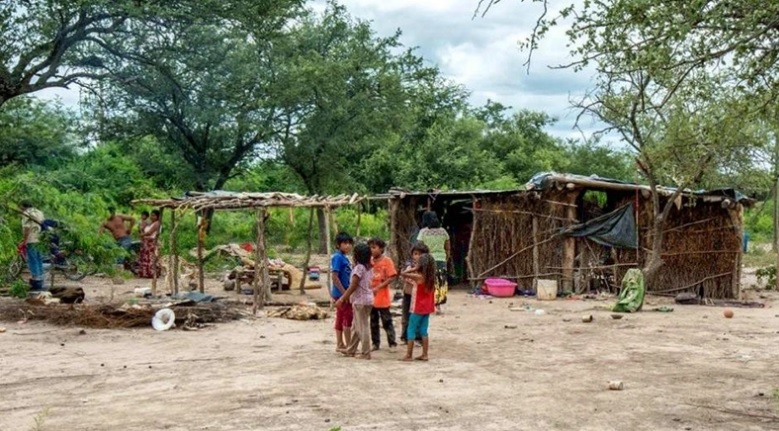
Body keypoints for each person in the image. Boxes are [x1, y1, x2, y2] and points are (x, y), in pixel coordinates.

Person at [336, 242, 374, 359]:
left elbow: (353, 285)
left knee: (362, 327)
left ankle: (366, 352)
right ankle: (351, 349)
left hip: (360, 301)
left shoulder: (359, 268)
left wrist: (342, 298)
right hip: (367, 299)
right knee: (357, 326)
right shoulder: (368, 267)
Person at [400, 251, 437, 362]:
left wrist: (414, 268)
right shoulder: (430, 277)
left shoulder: (418, 276)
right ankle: (425, 354)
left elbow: (404, 273)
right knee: (424, 330)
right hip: (427, 308)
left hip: (418, 307)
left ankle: (409, 355)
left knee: (411, 329)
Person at [416, 211, 450, 314]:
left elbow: (419, 248)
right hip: (441, 259)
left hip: (428, 260)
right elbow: (448, 248)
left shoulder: (423, 232)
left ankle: (428, 305)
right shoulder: (443, 232)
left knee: (428, 283)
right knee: (440, 282)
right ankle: (438, 306)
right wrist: (446, 258)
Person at [368, 237, 398, 352]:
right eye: (370, 247)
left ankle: (392, 343)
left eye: (374, 247)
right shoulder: (369, 262)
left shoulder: (387, 261)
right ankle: (375, 343)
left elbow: (392, 276)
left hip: (383, 297)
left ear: (381, 249)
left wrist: (379, 287)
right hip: (371, 298)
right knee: (373, 321)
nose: (372, 250)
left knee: (387, 321)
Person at [330, 232, 354, 352]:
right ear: (338, 244)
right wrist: (345, 294)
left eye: (349, 243)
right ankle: (349, 345)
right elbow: (335, 276)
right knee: (347, 317)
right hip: (342, 293)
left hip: (342, 293)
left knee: (340, 317)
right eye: (345, 243)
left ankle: (340, 343)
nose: (348, 246)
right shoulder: (338, 257)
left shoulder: (344, 257)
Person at [400, 242, 428, 345]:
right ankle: (405, 337)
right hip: (408, 294)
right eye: (415, 254)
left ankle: (418, 337)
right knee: (406, 316)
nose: (417, 256)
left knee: (417, 317)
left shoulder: (426, 269)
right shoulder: (409, 265)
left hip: (419, 297)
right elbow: (404, 275)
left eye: (420, 254)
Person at [19, 201, 45, 291]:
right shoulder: (39, 212)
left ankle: (36, 281)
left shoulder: (26, 213)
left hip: (32, 239)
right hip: (40, 239)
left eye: (20, 206)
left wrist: (24, 241)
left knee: (33, 259)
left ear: (23, 206)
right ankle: (41, 279)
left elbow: (26, 228)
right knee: (39, 258)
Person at [137, 209, 161, 278]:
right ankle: (145, 273)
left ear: (157, 216)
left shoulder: (157, 223)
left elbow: (150, 232)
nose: (151, 217)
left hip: (152, 242)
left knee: (151, 257)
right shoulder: (150, 223)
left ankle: (152, 273)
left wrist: (142, 235)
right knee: (146, 257)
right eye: (151, 215)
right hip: (147, 242)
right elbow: (143, 229)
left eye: (153, 215)